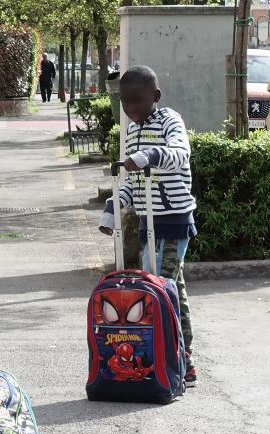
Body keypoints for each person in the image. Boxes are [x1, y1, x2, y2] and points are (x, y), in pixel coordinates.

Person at [98, 65, 198, 387]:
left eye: (137, 102)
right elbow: (131, 182)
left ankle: (178, 359)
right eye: (125, 103)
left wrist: (151, 155)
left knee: (162, 287)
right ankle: (179, 358)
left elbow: (180, 154)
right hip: (147, 223)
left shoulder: (170, 120)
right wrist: (115, 205)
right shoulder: (131, 130)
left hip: (173, 220)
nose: (131, 109)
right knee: (171, 289)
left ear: (155, 96)